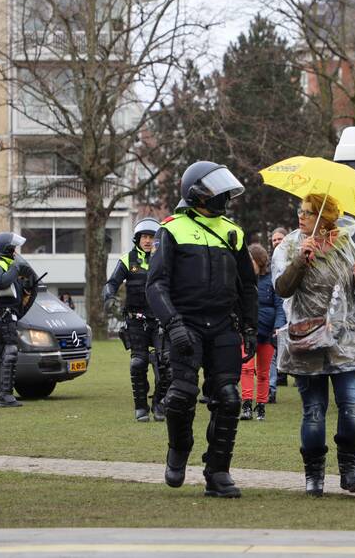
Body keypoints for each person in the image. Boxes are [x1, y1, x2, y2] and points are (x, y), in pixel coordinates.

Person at [147, 160, 258, 498]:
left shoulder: (233, 232)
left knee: (228, 398)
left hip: (223, 325)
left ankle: (218, 472)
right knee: (181, 395)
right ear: (197, 193)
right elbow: (155, 285)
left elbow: (247, 287)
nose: (224, 195)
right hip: (186, 324)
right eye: (216, 188)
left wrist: (250, 327)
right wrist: (174, 324)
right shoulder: (171, 229)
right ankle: (178, 450)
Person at [273, 194, 355, 497]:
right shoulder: (290, 246)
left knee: (350, 406)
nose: (301, 216)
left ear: (326, 216)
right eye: (300, 211)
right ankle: (314, 476)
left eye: (308, 212)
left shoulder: (346, 245)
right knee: (314, 411)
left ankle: (349, 472)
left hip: (345, 342)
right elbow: (282, 288)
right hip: (308, 341)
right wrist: (299, 262)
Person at [103, 217, 169, 422]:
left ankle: (159, 404)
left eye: (152, 237)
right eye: (144, 237)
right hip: (136, 321)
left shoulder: (166, 259)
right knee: (138, 363)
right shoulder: (127, 260)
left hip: (161, 322)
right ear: (138, 239)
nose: (148, 241)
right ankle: (141, 407)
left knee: (166, 363)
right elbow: (111, 284)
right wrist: (110, 297)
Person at [0, 232, 40, 408]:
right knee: (9, 351)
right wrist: (16, 268)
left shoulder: (6, 264)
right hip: (1, 316)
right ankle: (5, 395)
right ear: (6, 249)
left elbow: (17, 291)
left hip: (6, 315)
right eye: (13, 249)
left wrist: (29, 284)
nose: (15, 252)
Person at [240, 243, 284, 421]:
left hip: (267, 334)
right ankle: (247, 405)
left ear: (259, 260)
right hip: (247, 332)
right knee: (246, 369)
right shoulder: (243, 280)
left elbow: (280, 305)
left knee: (264, 373)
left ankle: (261, 406)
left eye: (250, 259)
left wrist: (277, 327)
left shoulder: (272, 280)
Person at [269, 226, 290, 399]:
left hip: (290, 305)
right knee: (277, 345)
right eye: (274, 239)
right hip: (277, 307)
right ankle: (280, 376)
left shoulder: (291, 258)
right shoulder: (271, 262)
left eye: (279, 239)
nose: (276, 242)